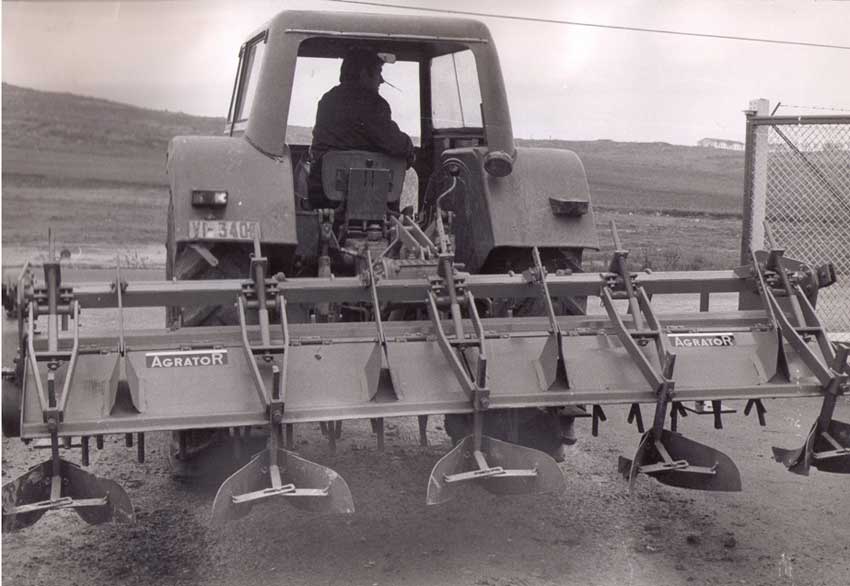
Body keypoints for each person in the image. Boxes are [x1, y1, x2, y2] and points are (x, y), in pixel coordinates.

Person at [307, 48, 414, 197]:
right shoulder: (374, 104)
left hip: (322, 193)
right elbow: (395, 144)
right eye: (378, 72)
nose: (381, 80)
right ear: (364, 74)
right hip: (366, 195)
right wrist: (409, 147)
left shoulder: (327, 100)